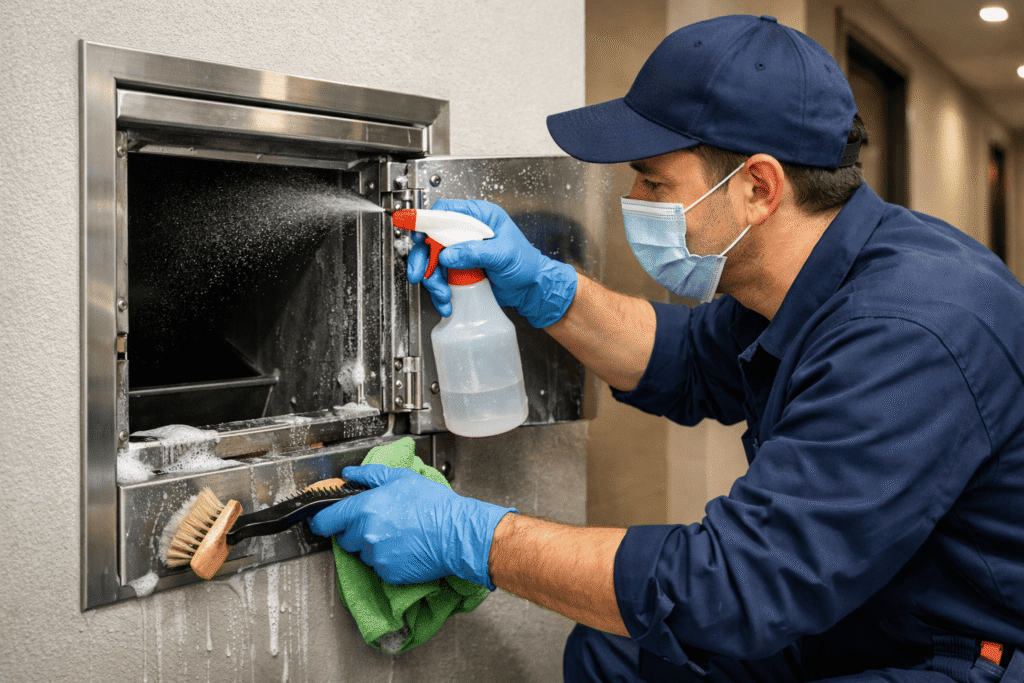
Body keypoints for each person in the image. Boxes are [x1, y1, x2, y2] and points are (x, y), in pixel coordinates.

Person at [309, 14, 1024, 683]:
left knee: (677, 618)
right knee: (616, 653)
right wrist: (541, 285)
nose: (637, 198)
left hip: (957, 653)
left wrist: (475, 537)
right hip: (858, 610)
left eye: (655, 180)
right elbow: (682, 357)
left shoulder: (910, 333)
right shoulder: (808, 275)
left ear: (758, 187)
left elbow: (736, 586)